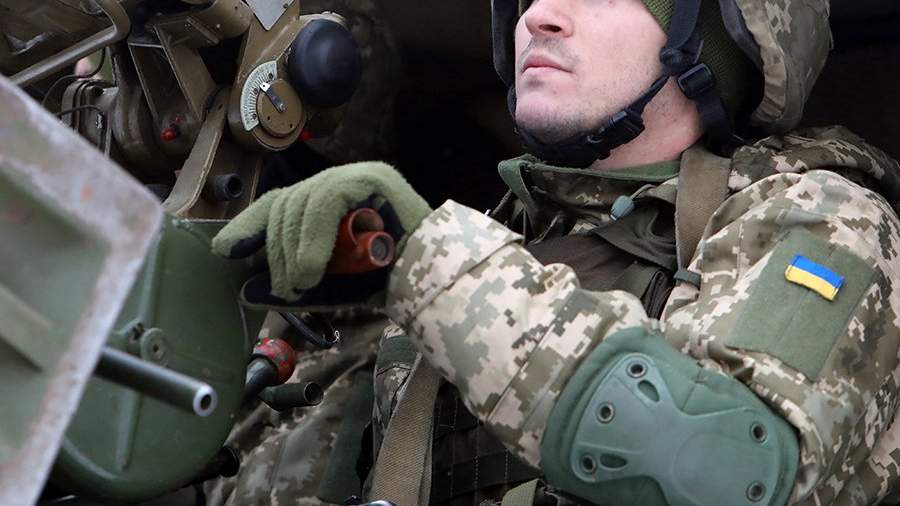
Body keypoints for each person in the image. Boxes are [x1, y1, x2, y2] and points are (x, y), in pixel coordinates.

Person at [212, 0, 900, 504]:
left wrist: (426, 262)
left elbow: (730, 470)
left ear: (712, 41)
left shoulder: (822, 217)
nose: (539, 15)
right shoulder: (495, 240)